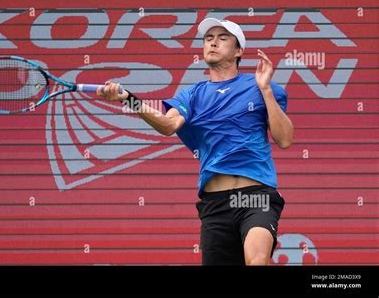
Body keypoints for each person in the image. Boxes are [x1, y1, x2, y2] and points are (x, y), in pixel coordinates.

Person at [97, 18, 294, 265]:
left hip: (256, 197)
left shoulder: (262, 87)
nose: (213, 42)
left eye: (223, 38)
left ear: (239, 51)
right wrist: (127, 98)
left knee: (257, 261)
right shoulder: (191, 95)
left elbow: (285, 139)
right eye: (208, 38)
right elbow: (167, 125)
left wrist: (265, 90)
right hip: (215, 203)